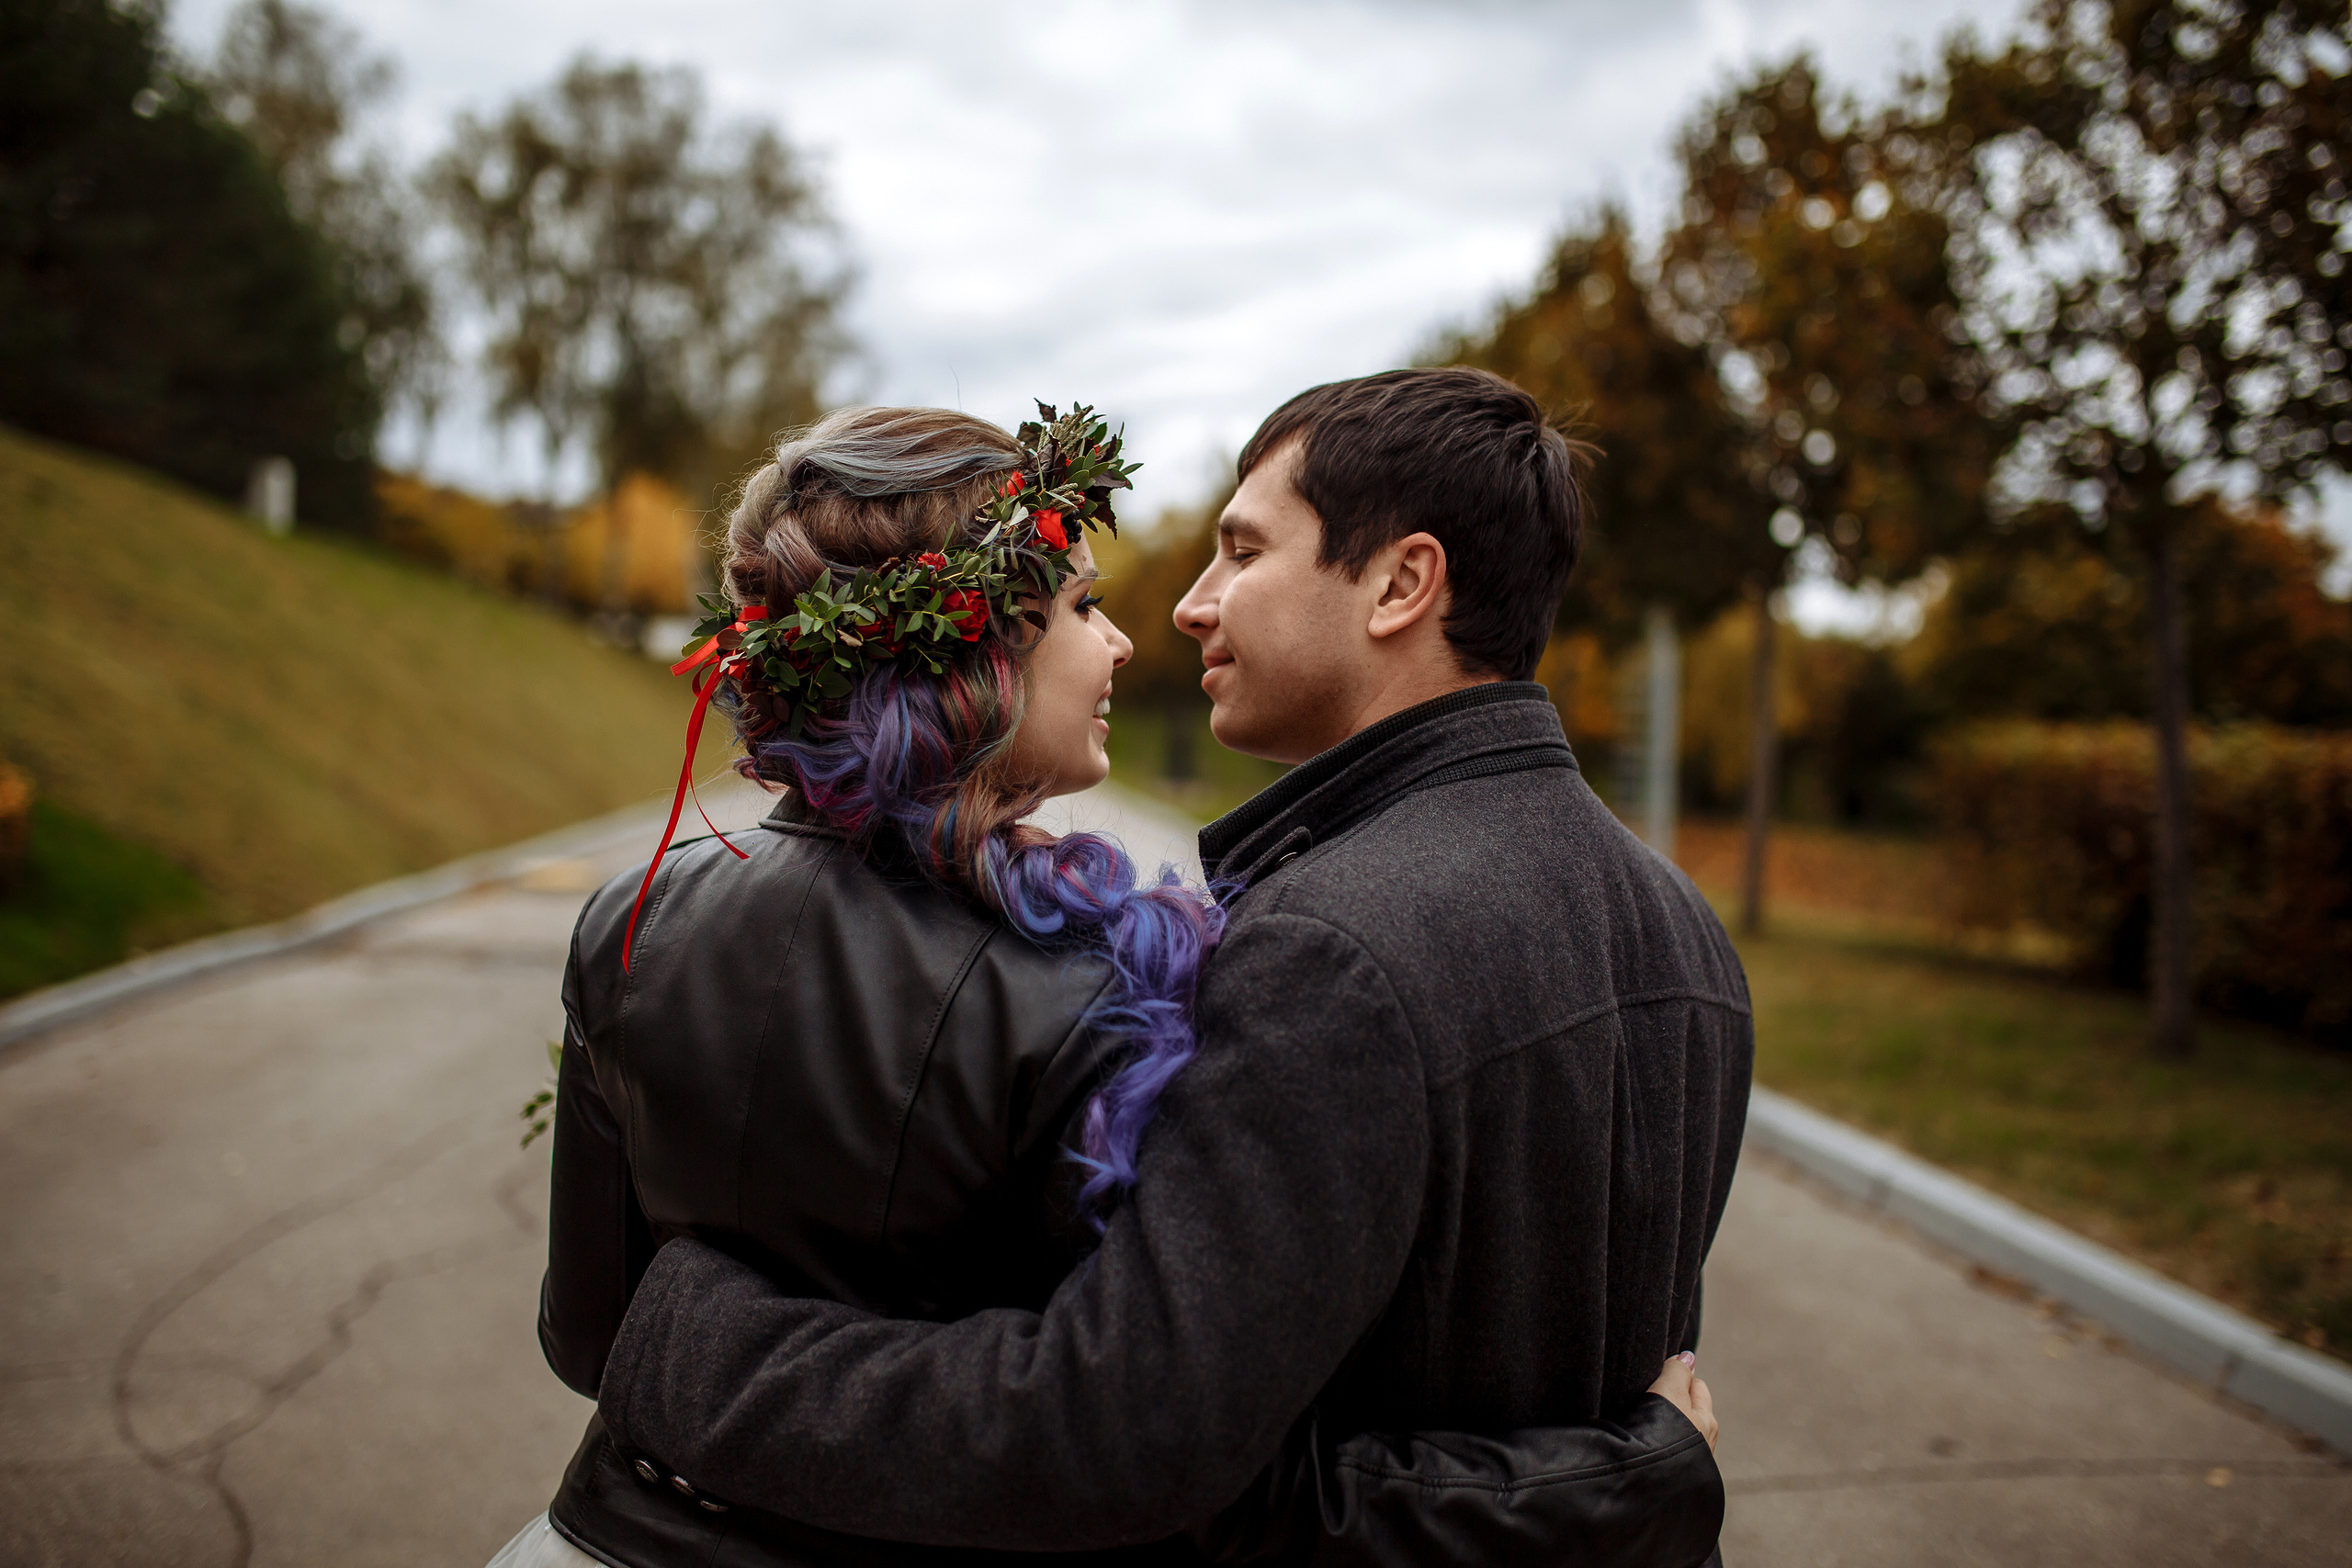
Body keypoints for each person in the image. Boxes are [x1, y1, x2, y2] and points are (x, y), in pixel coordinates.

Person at [584, 369, 1753, 1566]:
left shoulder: (1325, 952)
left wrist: (692, 1348)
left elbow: (1144, 1460)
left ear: (1404, 583)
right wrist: (1639, 1482)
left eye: (1242, 553)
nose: (1190, 607)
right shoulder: (1690, 932)